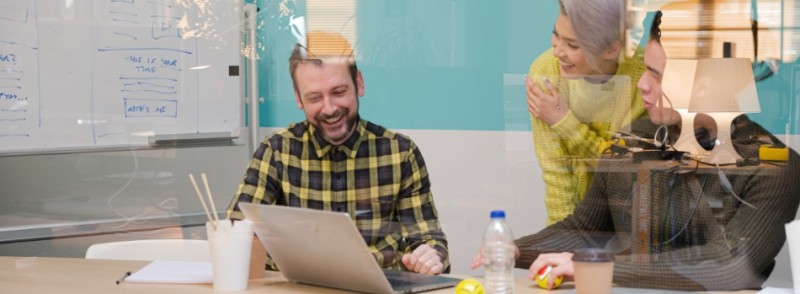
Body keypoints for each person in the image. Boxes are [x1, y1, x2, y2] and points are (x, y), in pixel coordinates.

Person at [473, 11, 800, 290]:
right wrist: (514, 249)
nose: (642, 84)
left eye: (657, 75)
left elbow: (730, 264)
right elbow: (584, 230)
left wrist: (600, 267)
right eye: (646, 68)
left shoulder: (774, 167)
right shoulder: (633, 141)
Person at [225, 31, 449, 275]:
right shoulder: (277, 151)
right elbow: (237, 231)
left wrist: (430, 256)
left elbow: (430, 242)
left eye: (339, 92)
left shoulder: (400, 153)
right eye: (314, 98)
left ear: (359, 83)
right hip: (297, 287)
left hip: (378, 287)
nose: (329, 108)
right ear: (298, 99)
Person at [527, 0, 647, 225]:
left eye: (572, 45)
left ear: (612, 48)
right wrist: (561, 243)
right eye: (556, 35)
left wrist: (565, 123)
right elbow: (557, 179)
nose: (557, 51)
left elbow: (628, 171)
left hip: (632, 220)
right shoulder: (545, 73)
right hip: (576, 223)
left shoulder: (644, 77)